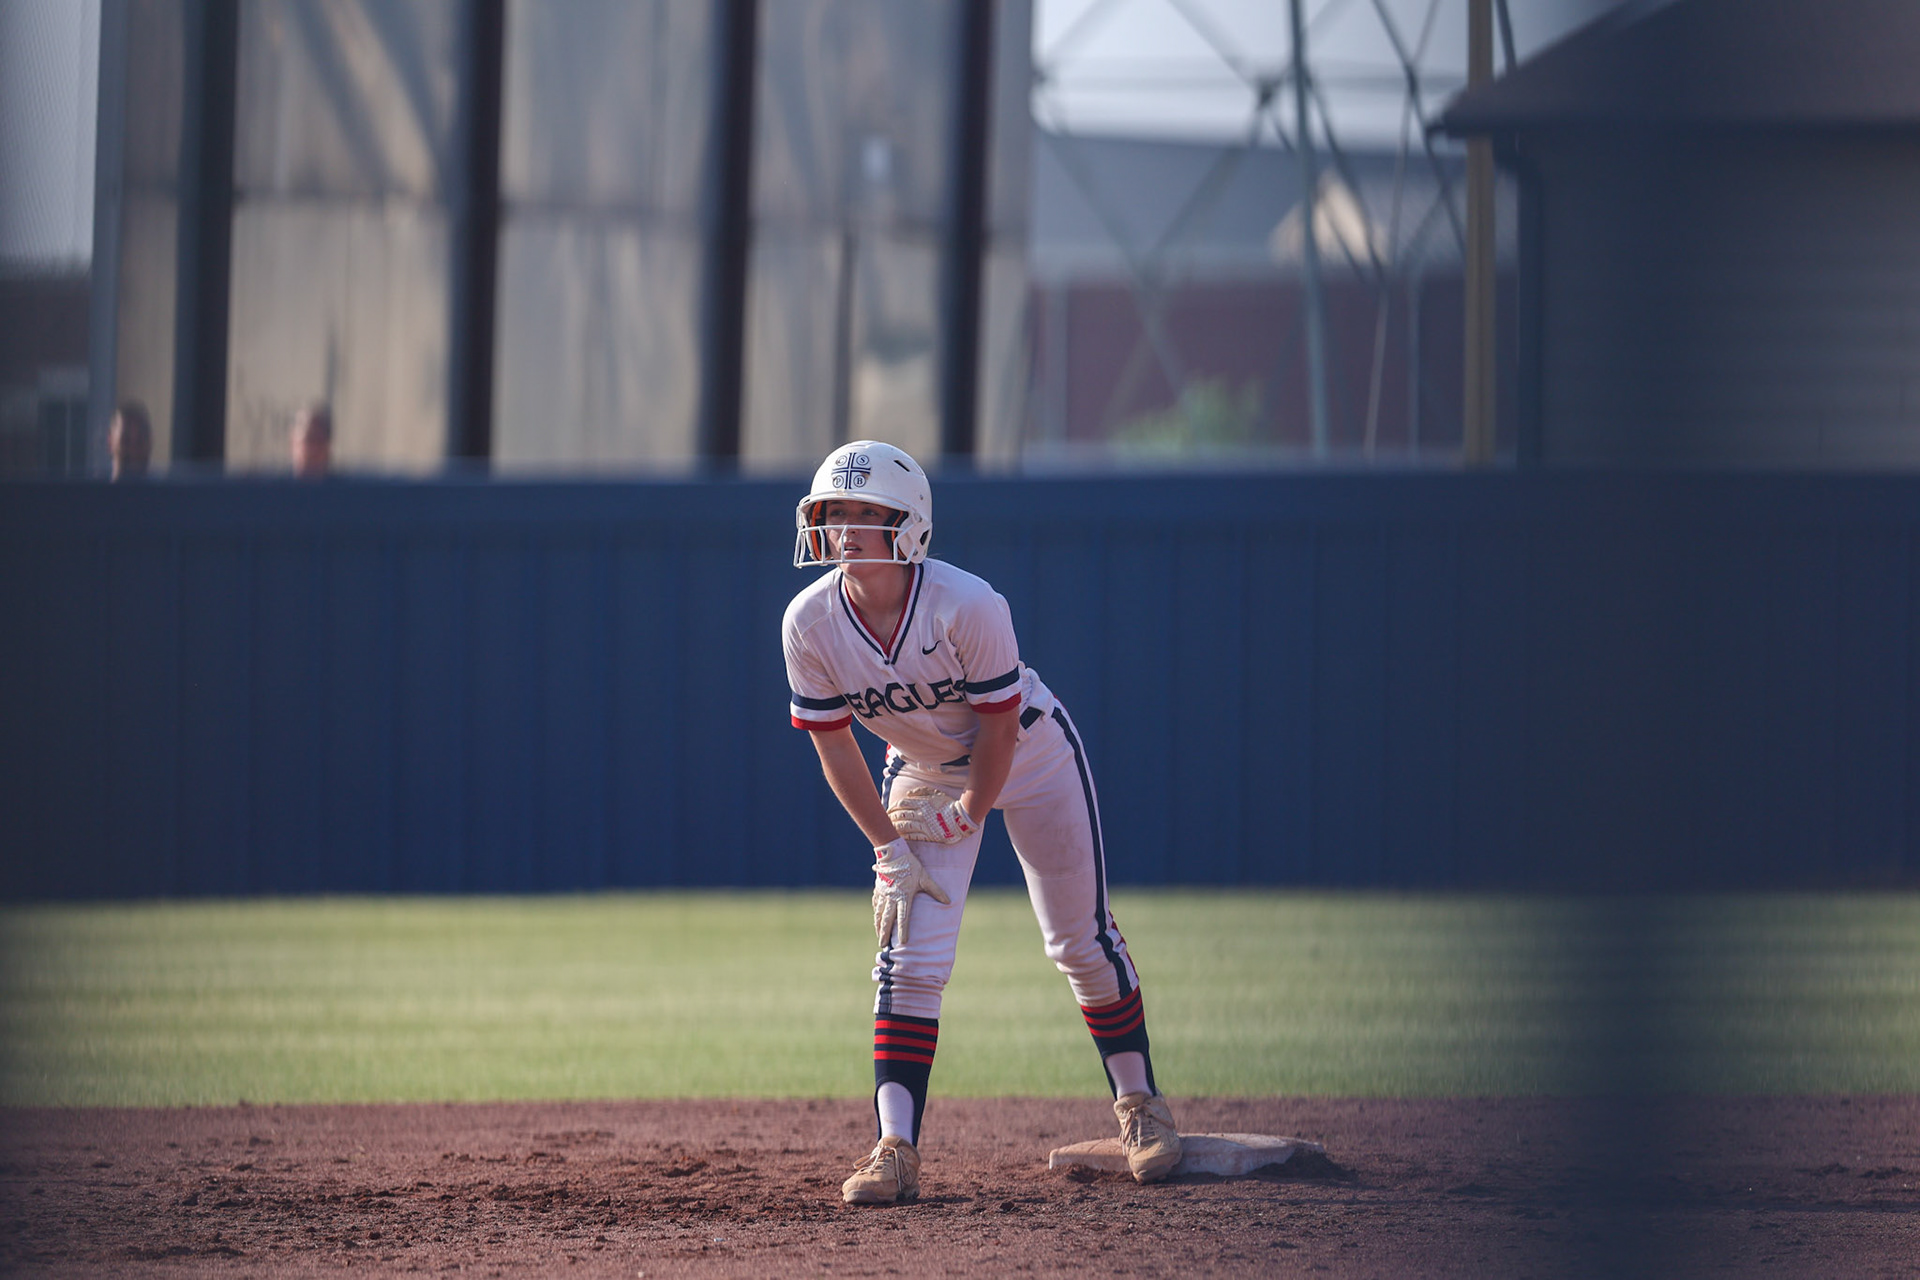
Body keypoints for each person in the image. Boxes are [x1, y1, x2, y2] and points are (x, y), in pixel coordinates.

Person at [781, 440, 1181, 1206]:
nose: (846, 528)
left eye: (868, 512)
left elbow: (999, 729)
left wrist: (971, 810)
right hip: (923, 769)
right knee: (909, 958)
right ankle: (894, 1147)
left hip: (1028, 751)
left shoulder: (965, 603)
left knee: (1079, 940)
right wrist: (888, 848)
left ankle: (1141, 1103)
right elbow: (836, 751)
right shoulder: (809, 621)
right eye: (835, 512)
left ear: (910, 524)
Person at [107, 401, 152, 481]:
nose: (133, 451)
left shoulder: (165, 492)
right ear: (110, 442)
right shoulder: (93, 492)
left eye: (140, 441)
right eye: (126, 440)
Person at [290, 401, 333, 478]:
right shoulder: (275, 488)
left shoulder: (344, 488)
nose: (313, 449)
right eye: (308, 440)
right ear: (293, 442)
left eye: (318, 441)